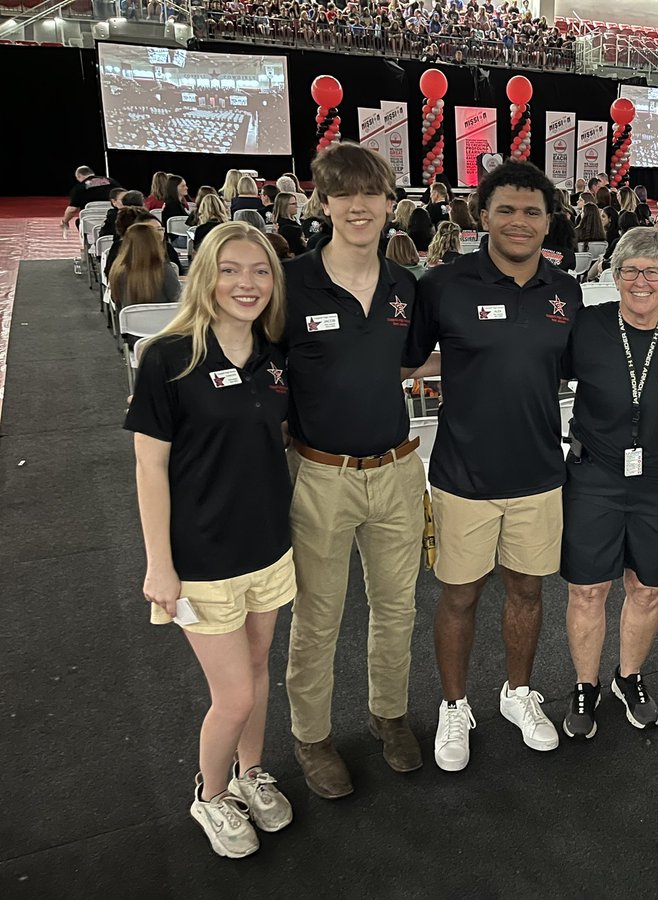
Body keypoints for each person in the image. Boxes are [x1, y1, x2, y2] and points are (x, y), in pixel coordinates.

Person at [406, 160, 583, 772]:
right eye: (506, 209)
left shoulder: (566, 290)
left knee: (528, 592)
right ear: (482, 216)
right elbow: (407, 360)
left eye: (532, 211)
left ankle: (518, 692)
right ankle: (454, 705)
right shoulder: (444, 284)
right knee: (458, 597)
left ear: (548, 221)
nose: (519, 221)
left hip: (539, 473)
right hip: (463, 476)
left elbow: (569, 366)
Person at [125, 220, 294, 858]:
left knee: (257, 671)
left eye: (259, 271)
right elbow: (150, 468)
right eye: (230, 270)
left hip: (270, 550)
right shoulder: (169, 356)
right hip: (200, 560)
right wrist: (158, 565)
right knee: (236, 694)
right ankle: (210, 792)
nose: (245, 284)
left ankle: (251, 776)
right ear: (206, 276)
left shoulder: (274, 357)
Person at [283, 142, 432, 799]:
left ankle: (388, 715)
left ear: (389, 202)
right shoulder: (290, 282)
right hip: (319, 475)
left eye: (370, 193)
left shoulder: (405, 287)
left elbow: (409, 365)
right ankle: (311, 737)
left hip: (397, 471)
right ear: (322, 203)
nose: (358, 206)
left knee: (397, 608)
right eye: (343, 194)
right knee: (318, 616)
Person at [559, 227, 658, 739]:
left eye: (654, 271)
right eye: (631, 271)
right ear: (614, 275)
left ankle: (629, 677)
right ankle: (585, 684)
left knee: (646, 588)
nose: (642, 281)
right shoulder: (588, 326)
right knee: (587, 588)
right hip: (594, 476)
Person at [108, 221, 183, 314]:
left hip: (130, 326)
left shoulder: (117, 270)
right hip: (165, 324)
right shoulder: (165, 269)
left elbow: (115, 300)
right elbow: (177, 300)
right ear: (153, 243)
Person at [61, 165, 121, 230]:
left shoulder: (79, 188)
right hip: (113, 219)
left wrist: (65, 221)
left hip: (91, 222)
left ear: (79, 176)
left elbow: (72, 210)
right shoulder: (111, 181)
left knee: (79, 222)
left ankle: (86, 239)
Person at [271, 192, 307, 256]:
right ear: (284, 206)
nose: (297, 206)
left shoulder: (294, 221)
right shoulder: (286, 227)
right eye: (293, 204)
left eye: (296, 203)